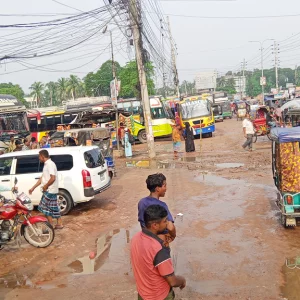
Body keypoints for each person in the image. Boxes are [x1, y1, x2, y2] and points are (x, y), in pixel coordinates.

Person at [131, 205, 186, 300]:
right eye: (165, 221)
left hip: (143, 294)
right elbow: (172, 281)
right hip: (159, 295)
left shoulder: (135, 238)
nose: (167, 223)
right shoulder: (159, 249)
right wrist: (182, 280)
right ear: (155, 225)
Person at [138, 173, 176, 247]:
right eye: (164, 186)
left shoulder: (142, 202)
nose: (166, 188)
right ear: (157, 189)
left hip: (146, 239)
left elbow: (142, 222)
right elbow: (170, 227)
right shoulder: (162, 205)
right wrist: (173, 236)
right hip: (160, 240)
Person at [29, 150, 63, 229]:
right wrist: (33, 188)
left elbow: (53, 178)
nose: (39, 158)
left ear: (42, 156)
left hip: (50, 190)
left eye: (39, 156)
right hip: (51, 189)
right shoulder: (47, 164)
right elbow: (42, 178)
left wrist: (46, 186)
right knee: (53, 207)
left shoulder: (50, 164)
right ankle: (59, 223)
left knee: (44, 207)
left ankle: (50, 225)